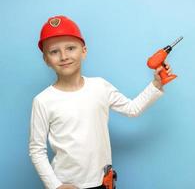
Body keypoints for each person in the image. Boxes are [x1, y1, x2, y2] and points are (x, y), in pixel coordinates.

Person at [29, 15, 172, 189]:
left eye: (71, 48)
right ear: (46, 59)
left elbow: (132, 109)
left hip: (103, 183)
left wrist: (156, 84)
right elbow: (36, 149)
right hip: (66, 184)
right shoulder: (43, 100)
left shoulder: (100, 86)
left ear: (84, 51)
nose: (64, 56)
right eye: (54, 51)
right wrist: (55, 186)